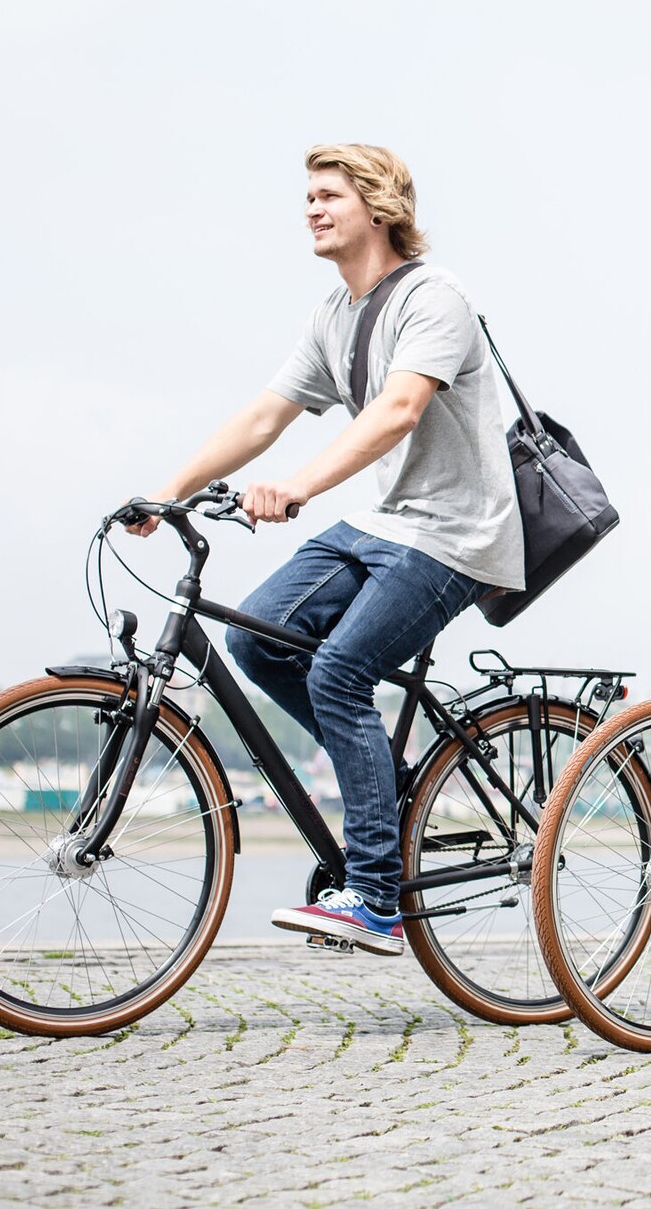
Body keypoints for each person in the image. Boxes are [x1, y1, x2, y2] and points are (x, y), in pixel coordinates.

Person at [129, 144, 523, 955]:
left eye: (328, 195)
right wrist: (170, 490)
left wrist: (299, 486)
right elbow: (264, 416)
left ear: (377, 207)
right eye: (307, 196)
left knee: (339, 671)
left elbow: (399, 410)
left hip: (456, 533)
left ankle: (375, 897)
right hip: (382, 524)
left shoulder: (433, 297)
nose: (311, 209)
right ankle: (380, 776)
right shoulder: (332, 315)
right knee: (256, 638)